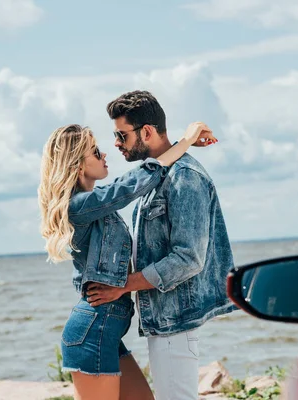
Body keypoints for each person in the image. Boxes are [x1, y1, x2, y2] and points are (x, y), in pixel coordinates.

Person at [38, 121, 217, 400]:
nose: (105, 154)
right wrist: (184, 142)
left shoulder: (96, 208)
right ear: (78, 166)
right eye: (95, 152)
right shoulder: (80, 206)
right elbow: (130, 185)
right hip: (92, 333)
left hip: (105, 334)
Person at [86, 90, 236, 400]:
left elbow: (188, 258)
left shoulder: (184, 178)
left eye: (121, 135)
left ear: (148, 131)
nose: (116, 143)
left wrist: (123, 286)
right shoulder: (157, 177)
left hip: (175, 323)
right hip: (165, 322)